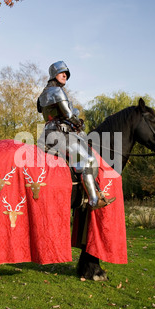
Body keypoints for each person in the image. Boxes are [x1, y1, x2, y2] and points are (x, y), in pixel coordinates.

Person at [37, 60, 116, 209]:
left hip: (49, 133)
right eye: (62, 73)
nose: (65, 75)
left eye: (66, 73)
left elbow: (51, 113)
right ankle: (93, 200)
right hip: (60, 134)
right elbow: (67, 114)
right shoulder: (57, 92)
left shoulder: (43, 94)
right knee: (87, 161)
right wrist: (78, 122)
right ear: (54, 75)